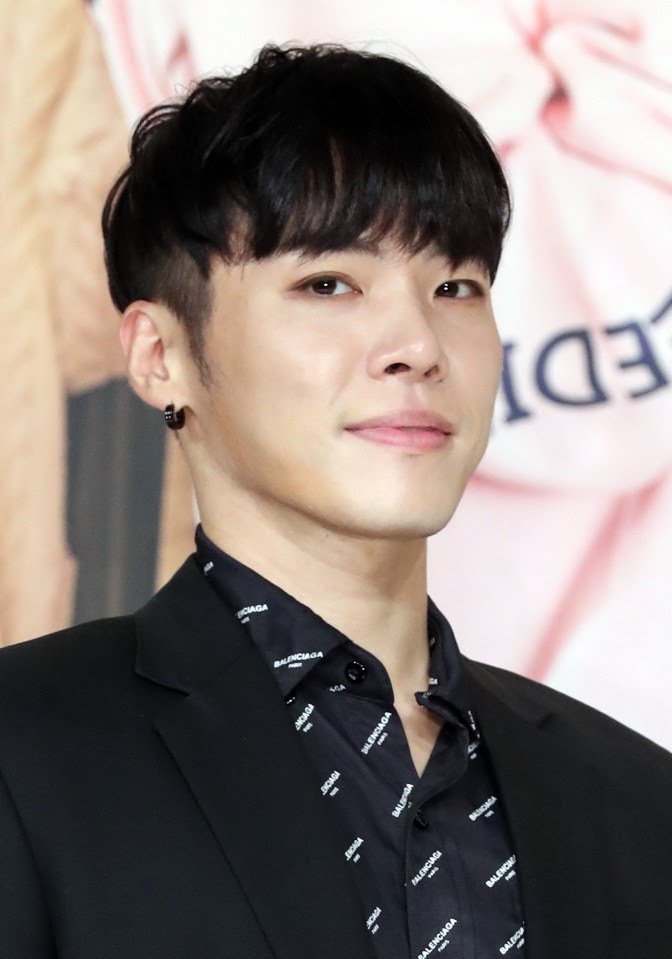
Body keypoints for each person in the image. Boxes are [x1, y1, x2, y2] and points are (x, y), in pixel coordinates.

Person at [0, 43, 670, 959]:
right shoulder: (28, 754)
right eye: (330, 284)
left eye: (455, 286)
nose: (417, 345)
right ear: (161, 356)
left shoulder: (635, 798)